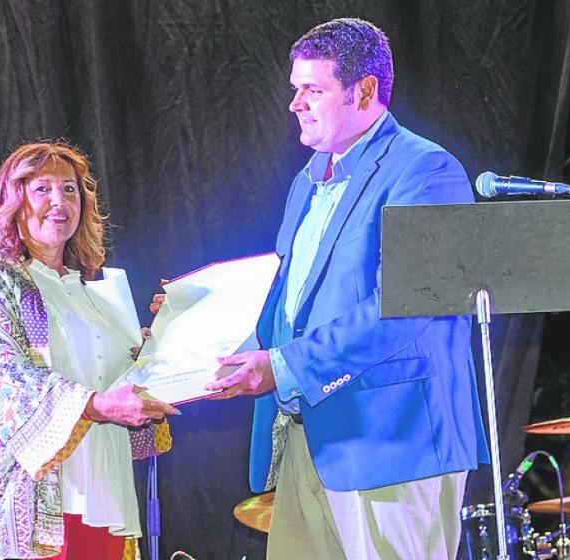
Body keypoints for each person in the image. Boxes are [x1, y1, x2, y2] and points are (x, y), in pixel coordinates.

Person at [201, 19, 490, 559]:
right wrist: (198, 337)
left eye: (313, 89)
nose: (295, 104)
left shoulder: (427, 171)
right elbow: (288, 306)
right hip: (309, 439)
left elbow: (403, 310)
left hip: (393, 445)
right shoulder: (307, 178)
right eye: (295, 88)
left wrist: (281, 367)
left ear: (363, 91)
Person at [0, 141, 178, 560]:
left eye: (70, 190)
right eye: (43, 189)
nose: (59, 202)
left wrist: (167, 339)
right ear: (14, 201)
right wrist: (98, 406)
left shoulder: (93, 293)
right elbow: (1, 378)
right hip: (28, 495)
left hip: (103, 490)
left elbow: (122, 380)